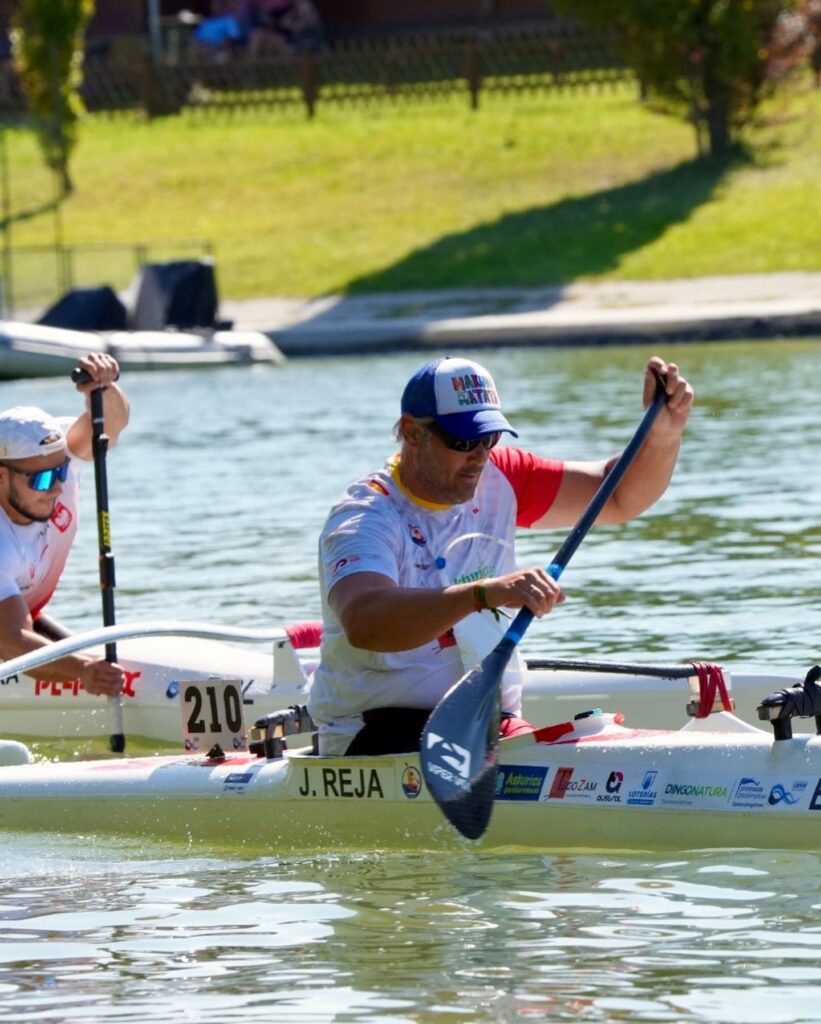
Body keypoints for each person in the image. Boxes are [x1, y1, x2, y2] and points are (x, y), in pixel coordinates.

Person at [308, 354, 694, 756]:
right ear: (412, 432)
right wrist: (484, 594)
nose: (479, 456)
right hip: (379, 734)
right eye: (462, 441)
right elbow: (366, 622)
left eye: (489, 438)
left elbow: (618, 496)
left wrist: (663, 436)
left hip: (488, 723)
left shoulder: (501, 477)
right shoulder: (366, 516)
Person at [0, 352, 130, 697]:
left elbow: (110, 425)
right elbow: (10, 639)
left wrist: (101, 388)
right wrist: (84, 671)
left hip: (20, 611)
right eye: (42, 480)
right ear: (1, 477)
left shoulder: (52, 450)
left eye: (60, 472)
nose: (58, 487)